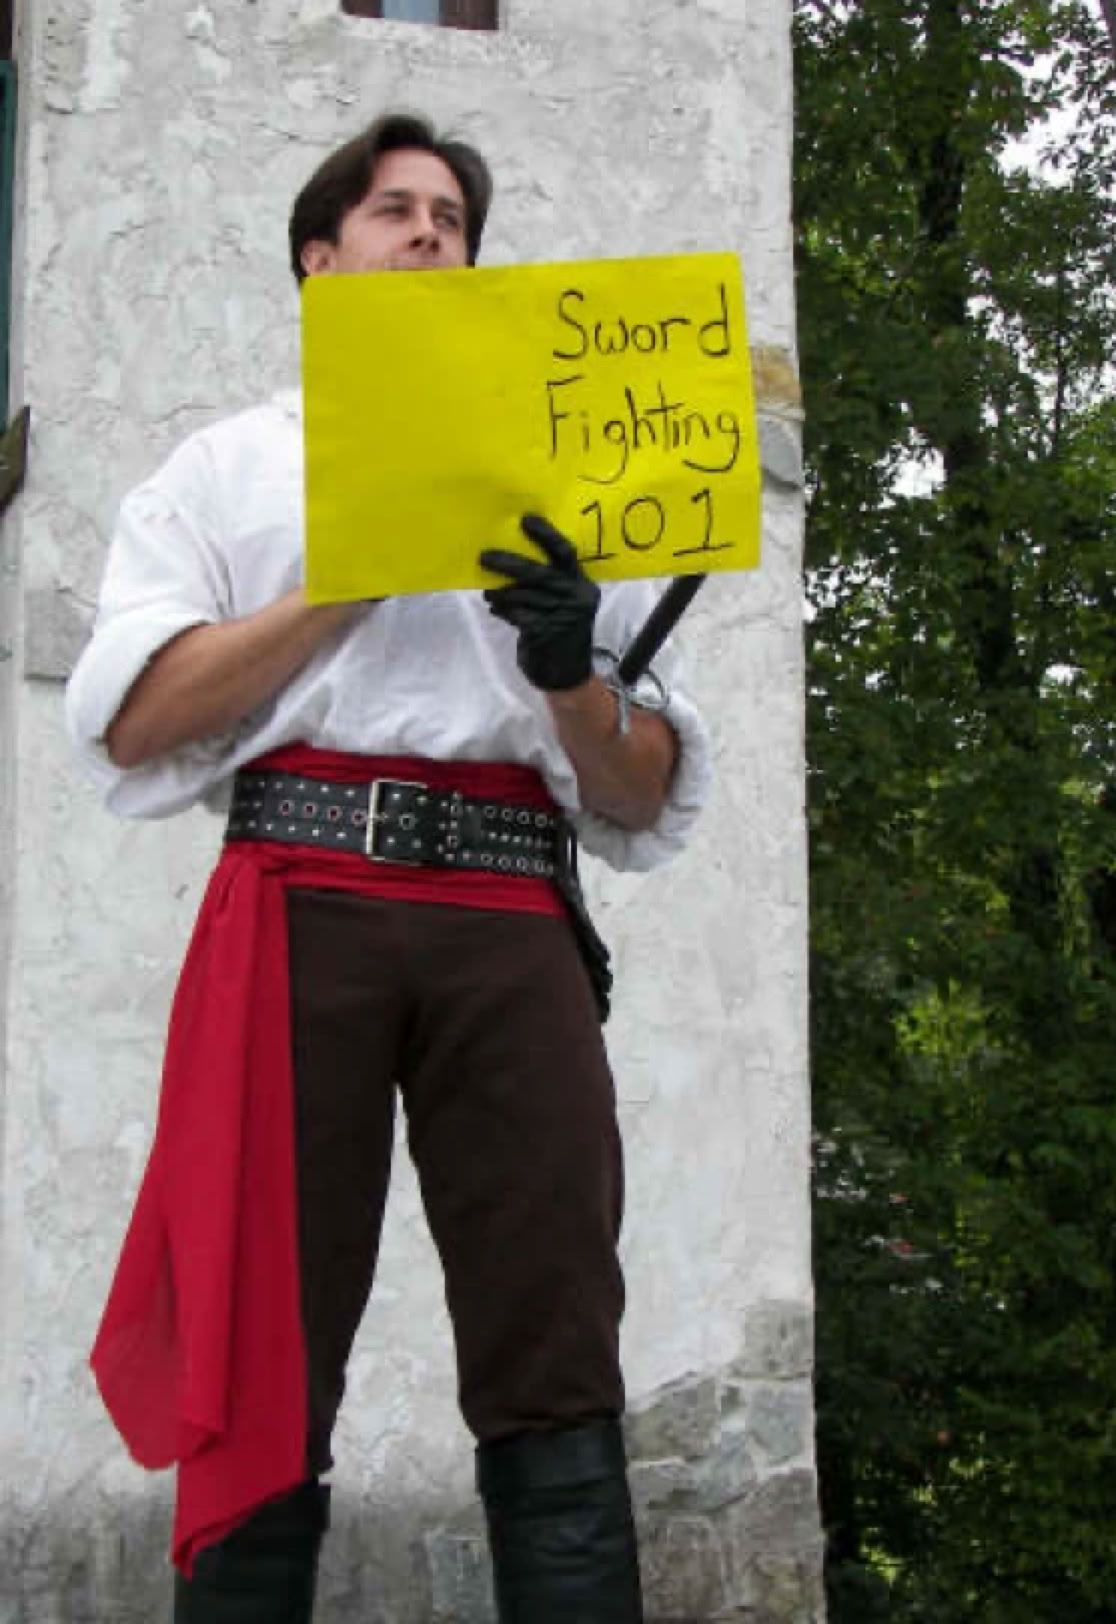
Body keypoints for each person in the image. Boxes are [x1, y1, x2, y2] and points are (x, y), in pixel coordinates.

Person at [64, 114, 710, 1623]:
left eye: (452, 218)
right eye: (393, 209)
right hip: (300, 913)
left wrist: (570, 673)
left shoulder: (565, 481)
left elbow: (642, 791)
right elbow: (134, 722)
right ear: (320, 257)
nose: (430, 230)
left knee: (555, 1336)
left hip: (510, 916)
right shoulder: (224, 468)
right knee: (266, 1341)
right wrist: (345, 578)